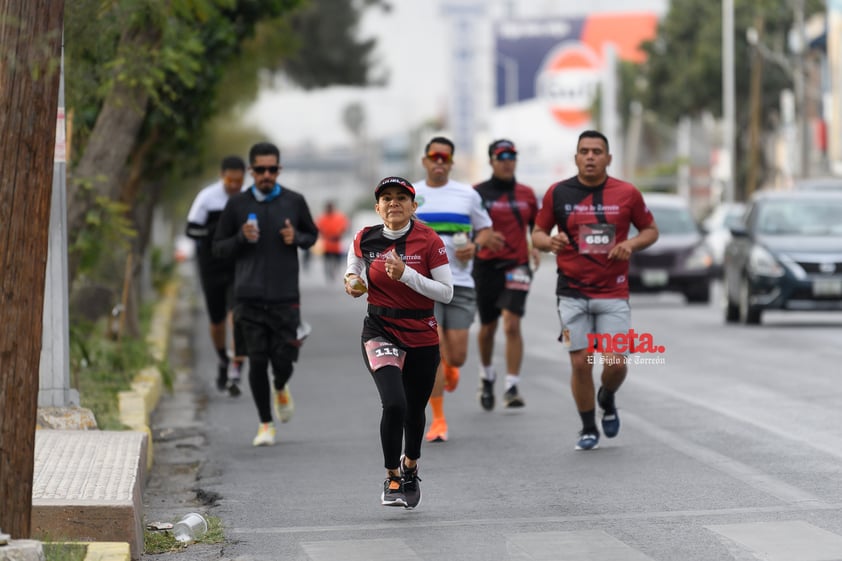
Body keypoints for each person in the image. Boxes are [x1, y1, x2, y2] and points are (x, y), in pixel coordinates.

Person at [531, 130, 659, 451]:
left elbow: (651, 230)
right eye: (584, 151)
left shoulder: (627, 193)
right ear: (576, 158)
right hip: (572, 293)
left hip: (613, 293)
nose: (590, 156)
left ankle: (607, 396)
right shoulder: (558, 193)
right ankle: (588, 427)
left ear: (608, 158)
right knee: (581, 362)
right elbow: (537, 233)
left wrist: (630, 243)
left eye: (597, 151)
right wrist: (550, 242)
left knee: (615, 364)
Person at [344, 176, 453, 509]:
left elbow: (446, 293)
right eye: (386, 198)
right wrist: (353, 282)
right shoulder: (365, 237)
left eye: (401, 198)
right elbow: (354, 269)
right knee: (394, 403)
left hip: (421, 333)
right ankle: (392, 475)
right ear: (377, 207)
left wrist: (406, 274)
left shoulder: (429, 240)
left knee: (414, 410)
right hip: (380, 329)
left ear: (413, 206)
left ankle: (410, 466)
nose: (394, 203)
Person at [213, 141, 319, 447]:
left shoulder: (294, 201)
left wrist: (295, 237)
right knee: (258, 360)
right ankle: (265, 424)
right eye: (260, 169)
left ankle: (281, 385)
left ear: (279, 170)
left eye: (272, 169)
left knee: (284, 358)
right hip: (248, 297)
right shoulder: (237, 206)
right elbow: (218, 248)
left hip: (286, 297)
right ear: (251, 171)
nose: (266, 175)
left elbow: (312, 235)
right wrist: (240, 238)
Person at [413, 136, 504, 442]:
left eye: (445, 158)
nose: (439, 162)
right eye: (434, 157)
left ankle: (452, 368)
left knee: (458, 355)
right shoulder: (411, 194)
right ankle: (437, 420)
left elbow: (487, 229)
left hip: (461, 283)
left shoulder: (467, 194)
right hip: (424, 286)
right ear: (425, 160)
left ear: (451, 163)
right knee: (432, 352)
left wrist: (475, 246)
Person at [473, 139, 540, 410]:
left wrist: (537, 245)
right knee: (488, 328)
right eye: (501, 156)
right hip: (486, 266)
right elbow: (463, 230)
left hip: (517, 265)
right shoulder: (476, 193)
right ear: (491, 161)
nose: (507, 161)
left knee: (512, 323)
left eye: (512, 155)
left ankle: (512, 385)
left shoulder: (526, 194)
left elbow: (539, 226)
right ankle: (487, 375)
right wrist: (481, 239)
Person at [185, 155, 248, 396]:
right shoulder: (207, 198)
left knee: (238, 317)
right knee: (217, 320)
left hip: (239, 266)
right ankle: (223, 359)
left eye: (238, 181)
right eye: (230, 180)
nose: (234, 185)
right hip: (211, 265)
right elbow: (191, 229)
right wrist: (215, 230)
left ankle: (235, 369)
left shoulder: (248, 199)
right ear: (222, 177)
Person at [315, 201, 349, 281]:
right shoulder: (322, 218)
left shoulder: (339, 217)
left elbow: (344, 227)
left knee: (336, 260)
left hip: (336, 244)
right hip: (327, 244)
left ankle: (334, 271)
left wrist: (339, 233)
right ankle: (329, 272)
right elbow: (318, 228)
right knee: (327, 260)